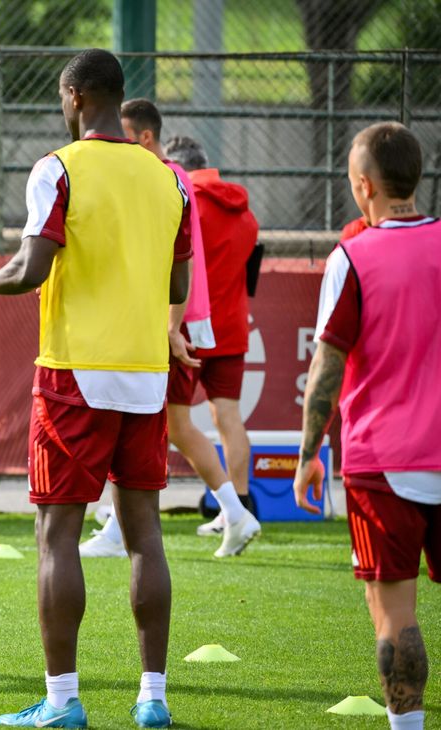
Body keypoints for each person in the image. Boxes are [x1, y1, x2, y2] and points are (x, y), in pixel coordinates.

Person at [0, 49, 191, 729]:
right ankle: (153, 699)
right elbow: (177, 285)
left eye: (63, 97)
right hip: (146, 373)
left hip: (74, 371)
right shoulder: (170, 179)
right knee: (144, 534)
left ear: (75, 96)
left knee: (57, 532)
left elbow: (30, 269)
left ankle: (61, 702)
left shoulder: (57, 168)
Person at [296, 122, 438, 730]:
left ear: (363, 186)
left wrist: (308, 453)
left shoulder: (351, 257)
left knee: (394, 614)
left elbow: (326, 366)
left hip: (383, 462)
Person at [80, 100, 259, 559]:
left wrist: (173, 324)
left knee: (157, 422)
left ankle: (228, 512)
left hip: (167, 321)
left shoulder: (166, 180)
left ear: (144, 136)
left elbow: (182, 259)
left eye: (122, 133)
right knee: (170, 420)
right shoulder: (203, 193)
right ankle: (232, 508)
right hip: (205, 323)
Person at [160, 135, 261, 551]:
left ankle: (231, 510)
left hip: (187, 325)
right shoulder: (245, 212)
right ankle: (239, 504)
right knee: (229, 418)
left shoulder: (185, 202)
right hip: (232, 326)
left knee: (172, 422)